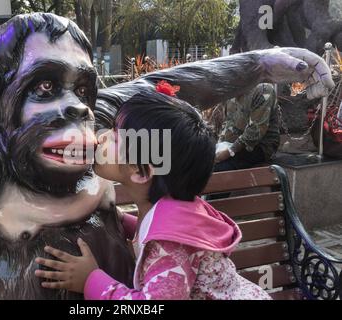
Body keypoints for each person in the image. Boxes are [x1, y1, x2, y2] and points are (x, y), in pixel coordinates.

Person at [34, 87, 272, 300]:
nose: (103, 136)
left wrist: (92, 281)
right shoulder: (172, 208)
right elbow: (151, 230)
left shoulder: (170, 246)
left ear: (140, 171)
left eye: (116, 135)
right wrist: (118, 218)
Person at [214, 83, 280, 172]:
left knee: (215, 170)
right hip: (235, 144)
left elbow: (255, 132)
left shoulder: (263, 89)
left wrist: (228, 152)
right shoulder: (231, 92)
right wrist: (220, 146)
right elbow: (228, 123)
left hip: (260, 146)